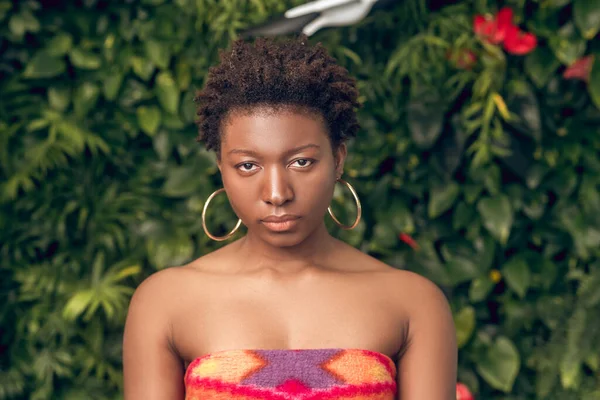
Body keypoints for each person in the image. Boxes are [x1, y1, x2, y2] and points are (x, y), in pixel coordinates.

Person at [123, 34, 457, 400]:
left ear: (339, 158)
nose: (277, 193)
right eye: (248, 165)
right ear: (222, 168)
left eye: (301, 162)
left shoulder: (412, 303)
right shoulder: (165, 301)